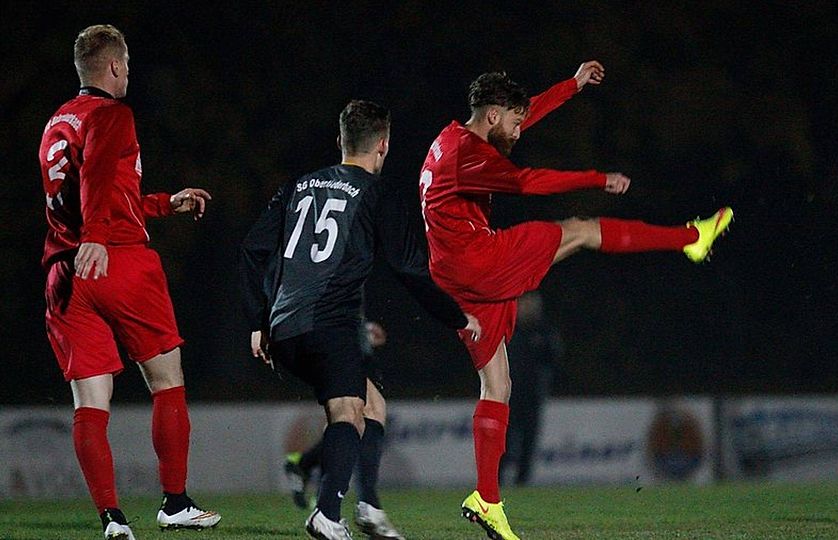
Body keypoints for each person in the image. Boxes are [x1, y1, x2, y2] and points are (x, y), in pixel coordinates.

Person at [418, 60, 733, 539]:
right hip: (480, 263)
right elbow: (525, 183)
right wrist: (596, 178)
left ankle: (486, 498)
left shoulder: (453, 139)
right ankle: (691, 237)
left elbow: (523, 116)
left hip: (452, 275)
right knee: (582, 231)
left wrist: (571, 86)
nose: (521, 131)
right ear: (494, 117)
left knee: (497, 384)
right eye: (516, 123)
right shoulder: (469, 154)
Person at [240, 100, 481, 540]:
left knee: (372, 407)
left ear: (340, 142)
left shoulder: (297, 186)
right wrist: (453, 315)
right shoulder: (376, 192)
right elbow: (408, 268)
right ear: (384, 144)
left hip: (283, 329)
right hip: (328, 325)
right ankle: (328, 513)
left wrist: (258, 320)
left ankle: (368, 506)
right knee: (349, 413)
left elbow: (253, 251)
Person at [39, 24, 221, 540]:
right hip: (115, 261)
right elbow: (98, 175)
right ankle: (175, 502)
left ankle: (113, 519)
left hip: (64, 274)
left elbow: (96, 194)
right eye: (127, 68)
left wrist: (165, 203)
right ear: (116, 67)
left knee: (90, 404)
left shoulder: (56, 122)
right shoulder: (113, 113)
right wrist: (98, 236)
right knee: (167, 381)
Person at [284, 320, 406, 539]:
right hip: (333, 337)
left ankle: (309, 473)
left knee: (347, 419)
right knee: (365, 411)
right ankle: (359, 507)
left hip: (336, 335)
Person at [501, 291, 562, 487]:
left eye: (532, 304)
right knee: (505, 441)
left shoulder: (544, 331)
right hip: (508, 396)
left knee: (529, 439)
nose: (528, 307)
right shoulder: (508, 329)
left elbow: (555, 359)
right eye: (524, 304)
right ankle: (496, 481)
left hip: (533, 395)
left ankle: (522, 481)